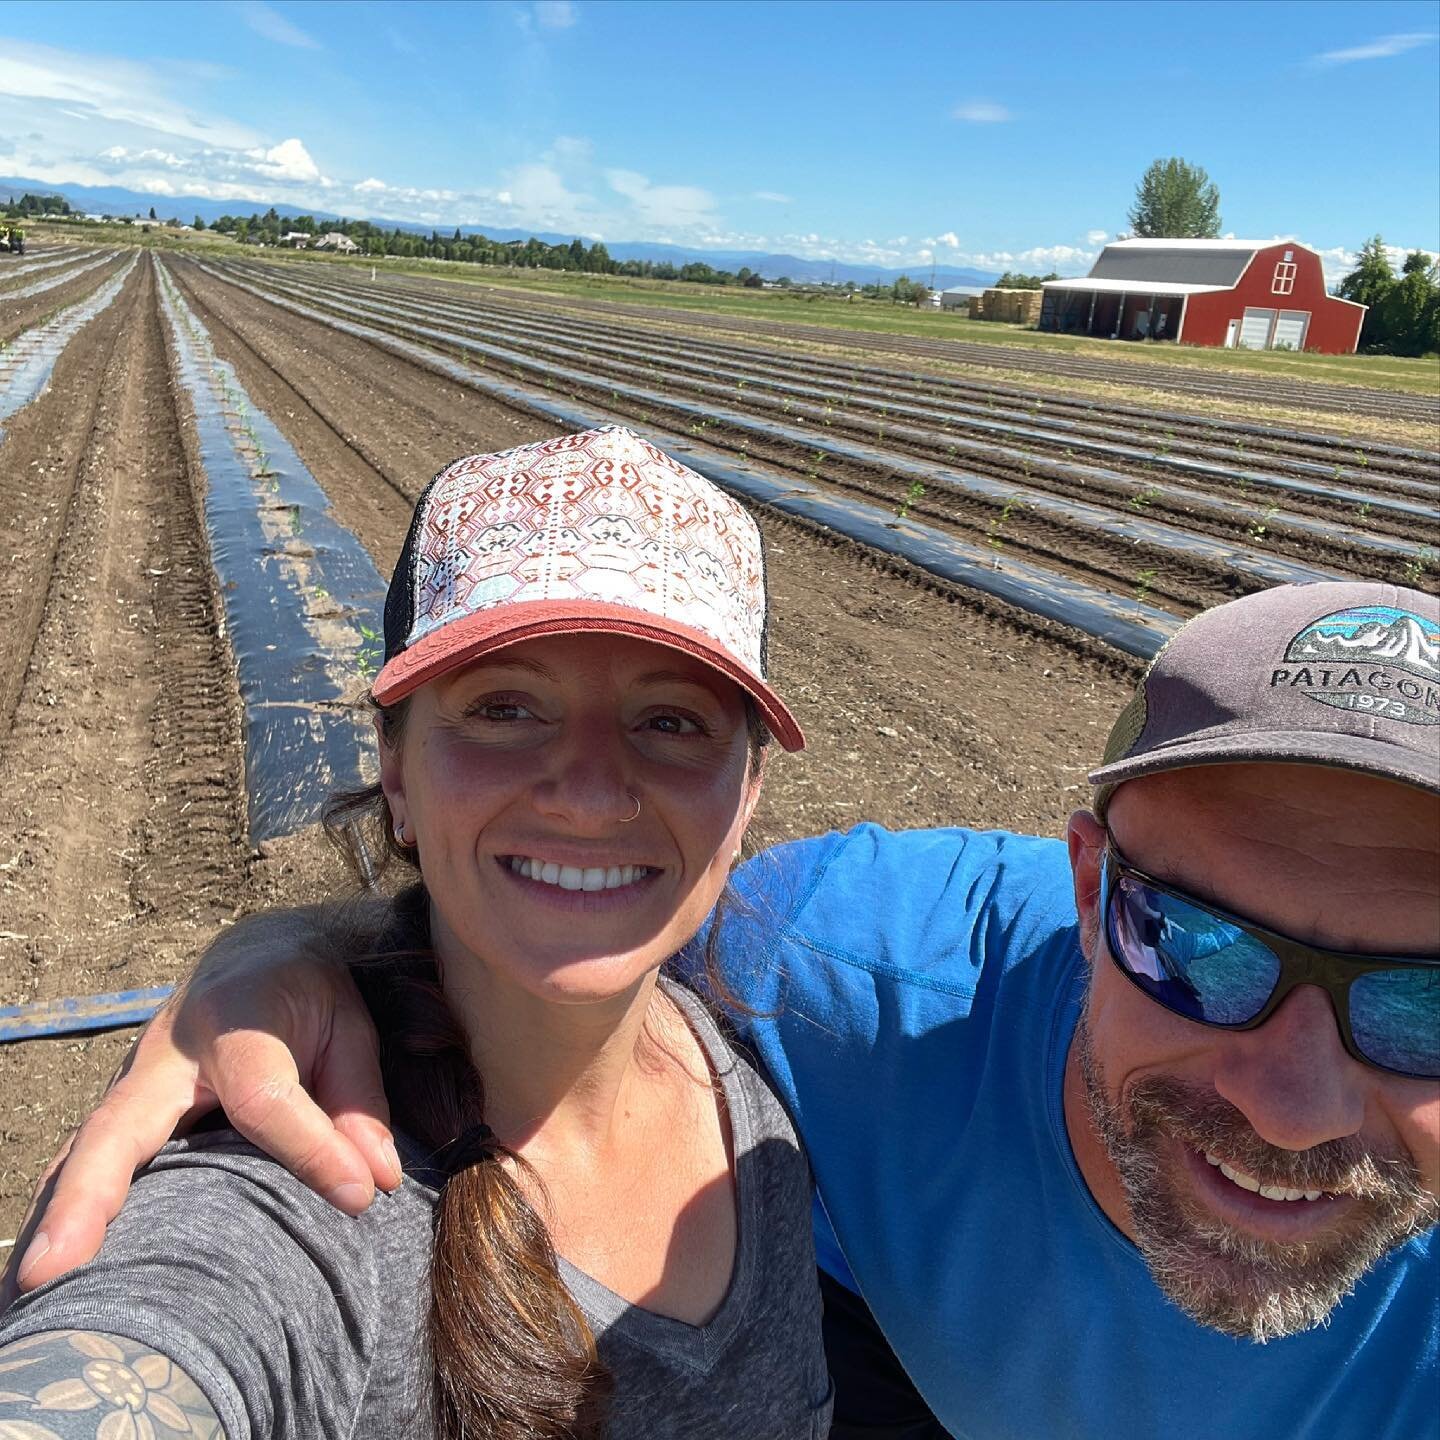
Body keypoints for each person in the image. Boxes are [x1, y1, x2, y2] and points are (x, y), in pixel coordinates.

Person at [6, 581, 1439, 1435]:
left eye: (1428, 1002)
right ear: (1086, 889)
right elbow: (579, 927)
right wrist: (292, 952)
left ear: (744, 788)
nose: (1287, 1097)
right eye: (1194, 945)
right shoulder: (851, 975)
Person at [0, 426, 836, 1438]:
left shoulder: (767, 1114)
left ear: (746, 793)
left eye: (670, 721)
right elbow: (143, 1353)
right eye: (506, 707)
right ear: (394, 769)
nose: (590, 792)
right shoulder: (303, 1184)